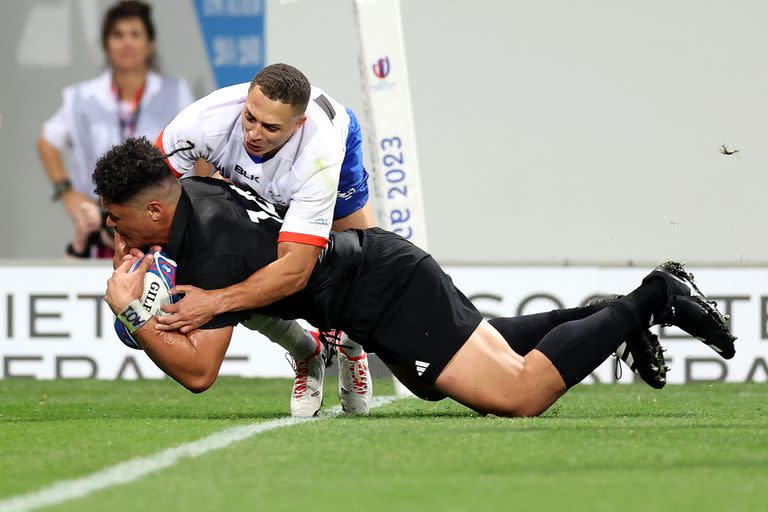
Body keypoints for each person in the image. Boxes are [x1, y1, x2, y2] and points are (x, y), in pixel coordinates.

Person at [94, 138, 737, 416]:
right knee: (478, 359)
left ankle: (653, 298)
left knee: (517, 395)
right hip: (378, 275)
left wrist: (130, 312)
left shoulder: (208, 242)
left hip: (386, 289)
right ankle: (606, 316)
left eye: (121, 225)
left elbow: (200, 373)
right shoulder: (198, 194)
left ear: (156, 207)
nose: (120, 240)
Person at [153, 64, 374, 416]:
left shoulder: (320, 153)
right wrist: (136, 259)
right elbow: (144, 194)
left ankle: (351, 350)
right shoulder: (204, 120)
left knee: (362, 265)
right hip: (247, 180)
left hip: (325, 156)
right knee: (236, 266)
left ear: (298, 125)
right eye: (250, 118)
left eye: (270, 127)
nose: (254, 133)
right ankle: (307, 352)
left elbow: (296, 270)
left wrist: (212, 302)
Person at [38, 0, 193, 259]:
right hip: (100, 223)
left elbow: (195, 151)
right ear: (106, 44)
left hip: (157, 226)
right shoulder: (81, 97)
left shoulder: (176, 93)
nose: (127, 43)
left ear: (150, 44)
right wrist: (67, 193)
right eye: (118, 35)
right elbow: (47, 142)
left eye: (135, 34)